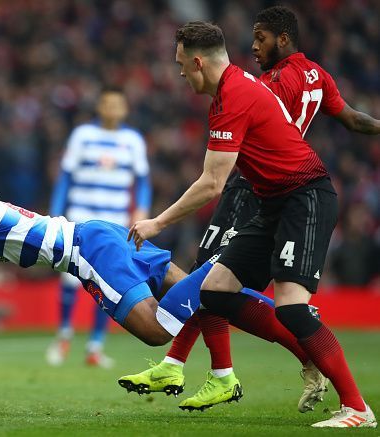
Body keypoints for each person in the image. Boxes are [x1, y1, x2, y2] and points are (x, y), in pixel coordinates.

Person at [0, 169, 319, 424]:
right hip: (101, 235)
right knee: (211, 299)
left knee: (157, 331)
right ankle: (302, 349)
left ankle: (229, 264)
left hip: (88, 250)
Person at [120, 5, 380, 414]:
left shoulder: (242, 92)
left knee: (292, 308)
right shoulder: (244, 85)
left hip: (303, 196)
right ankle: (221, 365)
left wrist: (157, 222)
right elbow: (348, 118)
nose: (180, 74)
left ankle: (356, 406)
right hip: (271, 199)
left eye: (181, 65)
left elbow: (211, 183)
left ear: (198, 61)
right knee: (214, 289)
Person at [46, 86, 151, 368]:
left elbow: (142, 181)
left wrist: (141, 211)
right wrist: (57, 212)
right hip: (81, 215)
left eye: (118, 104)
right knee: (69, 277)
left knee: (108, 280)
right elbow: (65, 176)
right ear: (100, 107)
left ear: (125, 109)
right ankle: (64, 336)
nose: (112, 109)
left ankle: (95, 346)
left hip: (115, 220)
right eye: (107, 104)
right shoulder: (83, 135)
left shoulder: (133, 140)